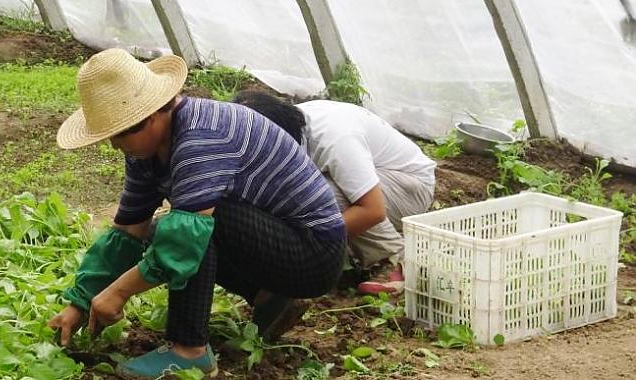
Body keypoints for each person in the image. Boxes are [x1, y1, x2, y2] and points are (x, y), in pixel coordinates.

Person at [47, 49, 346, 379]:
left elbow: (183, 242)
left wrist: (118, 293)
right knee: (162, 230)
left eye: (119, 134)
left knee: (188, 229)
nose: (115, 146)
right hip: (275, 243)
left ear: (152, 115)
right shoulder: (145, 153)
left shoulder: (200, 138)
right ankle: (270, 297)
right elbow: (128, 231)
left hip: (314, 253)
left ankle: (189, 350)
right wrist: (80, 301)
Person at [233, 91, 436, 294]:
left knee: (320, 193)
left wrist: (310, 240)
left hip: (411, 187)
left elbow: (373, 210)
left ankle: (393, 260)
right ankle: (346, 254)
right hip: (379, 184)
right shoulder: (289, 128)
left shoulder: (333, 137)